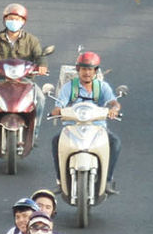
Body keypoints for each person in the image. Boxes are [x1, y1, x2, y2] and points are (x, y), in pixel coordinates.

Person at [51, 51, 120, 191]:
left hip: (97, 127)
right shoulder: (69, 87)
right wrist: (57, 110)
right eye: (83, 69)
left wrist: (114, 109)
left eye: (90, 69)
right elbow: (60, 104)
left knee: (115, 143)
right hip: (72, 127)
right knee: (56, 141)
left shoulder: (102, 87)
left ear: (95, 71)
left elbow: (114, 102)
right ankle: (60, 181)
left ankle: (107, 180)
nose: (87, 73)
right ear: (78, 70)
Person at [0, 2, 49, 75]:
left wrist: (42, 65)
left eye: (17, 19)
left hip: (26, 81)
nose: (14, 21)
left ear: (23, 21)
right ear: (5, 20)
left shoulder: (32, 40)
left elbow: (39, 55)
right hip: (1, 81)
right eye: (10, 19)